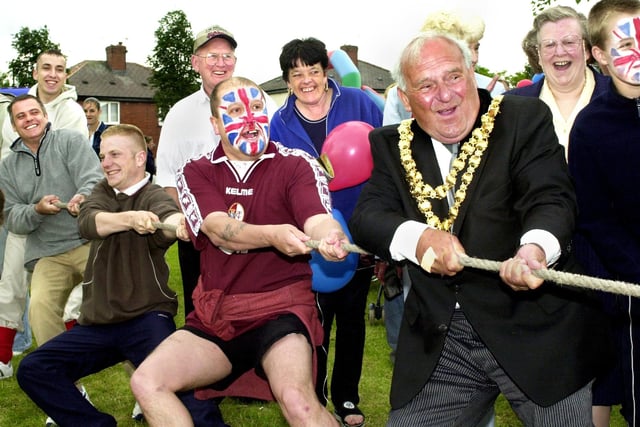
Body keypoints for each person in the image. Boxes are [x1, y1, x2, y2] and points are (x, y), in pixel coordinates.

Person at [348, 31, 611, 426]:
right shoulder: (390, 143)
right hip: (443, 341)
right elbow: (368, 217)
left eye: (454, 77)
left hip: (533, 330)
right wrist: (419, 238)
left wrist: (534, 251)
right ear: (405, 99)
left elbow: (551, 198)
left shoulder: (523, 119)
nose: (445, 95)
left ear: (472, 75)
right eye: (426, 85)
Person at [130, 76, 349, 426]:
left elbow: (317, 217)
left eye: (258, 109)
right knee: (147, 381)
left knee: (297, 401)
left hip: (282, 308)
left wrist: (330, 235)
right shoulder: (196, 170)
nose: (250, 121)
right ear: (215, 124)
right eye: (235, 111)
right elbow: (220, 231)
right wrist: (275, 235)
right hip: (219, 313)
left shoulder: (297, 164)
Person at [15, 123, 226, 427]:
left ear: (140, 158)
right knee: (34, 368)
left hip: (146, 319)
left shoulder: (153, 195)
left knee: (186, 396)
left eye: (115, 154)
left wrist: (178, 222)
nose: (106, 163)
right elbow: (90, 223)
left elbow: (167, 214)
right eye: (102, 156)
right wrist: (129, 219)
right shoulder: (101, 192)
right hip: (98, 325)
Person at [269, 37, 382, 427]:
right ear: (287, 80)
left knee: (351, 319)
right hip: (308, 235)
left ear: (325, 72)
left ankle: (347, 397)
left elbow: (387, 155)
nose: (307, 81)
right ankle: (313, 397)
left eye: (313, 71)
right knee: (313, 322)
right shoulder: (278, 122)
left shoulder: (360, 102)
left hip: (358, 230)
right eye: (297, 74)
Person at [155, 24, 278, 319]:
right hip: (200, 237)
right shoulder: (179, 114)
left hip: (254, 231)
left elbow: (277, 164)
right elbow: (168, 179)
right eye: (212, 56)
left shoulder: (264, 104)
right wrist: (193, 224)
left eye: (227, 56)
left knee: (255, 313)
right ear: (195, 62)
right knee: (201, 313)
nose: (221, 63)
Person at [0, 94, 103, 425]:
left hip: (88, 241)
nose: (29, 118)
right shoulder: (7, 166)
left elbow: (93, 177)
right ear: (13, 124)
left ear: (45, 116)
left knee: (122, 304)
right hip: (46, 253)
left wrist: (82, 198)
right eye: (21, 116)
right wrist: (36, 210)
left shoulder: (70, 141)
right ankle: (69, 391)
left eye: (34, 112)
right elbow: (11, 216)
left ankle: (149, 383)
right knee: (40, 308)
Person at [569, 1, 640, 425]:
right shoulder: (592, 128)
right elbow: (595, 218)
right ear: (598, 55)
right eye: (628, 43)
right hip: (632, 293)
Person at [0, 50, 89, 381]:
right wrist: (24, 205)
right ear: (35, 72)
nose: (53, 74)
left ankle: (69, 362)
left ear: (66, 75)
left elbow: (67, 163)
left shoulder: (72, 114)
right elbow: (7, 160)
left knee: (75, 296)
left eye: (60, 69)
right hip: (24, 213)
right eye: (46, 68)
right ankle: (3, 357)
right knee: (11, 281)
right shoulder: (11, 110)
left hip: (66, 218)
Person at [506, 5, 610, 152]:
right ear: (539, 56)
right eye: (549, 44)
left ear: (586, 50)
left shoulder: (623, 96)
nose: (559, 52)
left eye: (569, 42)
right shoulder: (508, 108)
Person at [383, 9, 509, 126]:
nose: (474, 58)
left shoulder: (496, 91)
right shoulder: (399, 96)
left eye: (476, 48)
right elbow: (392, 145)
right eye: (464, 48)